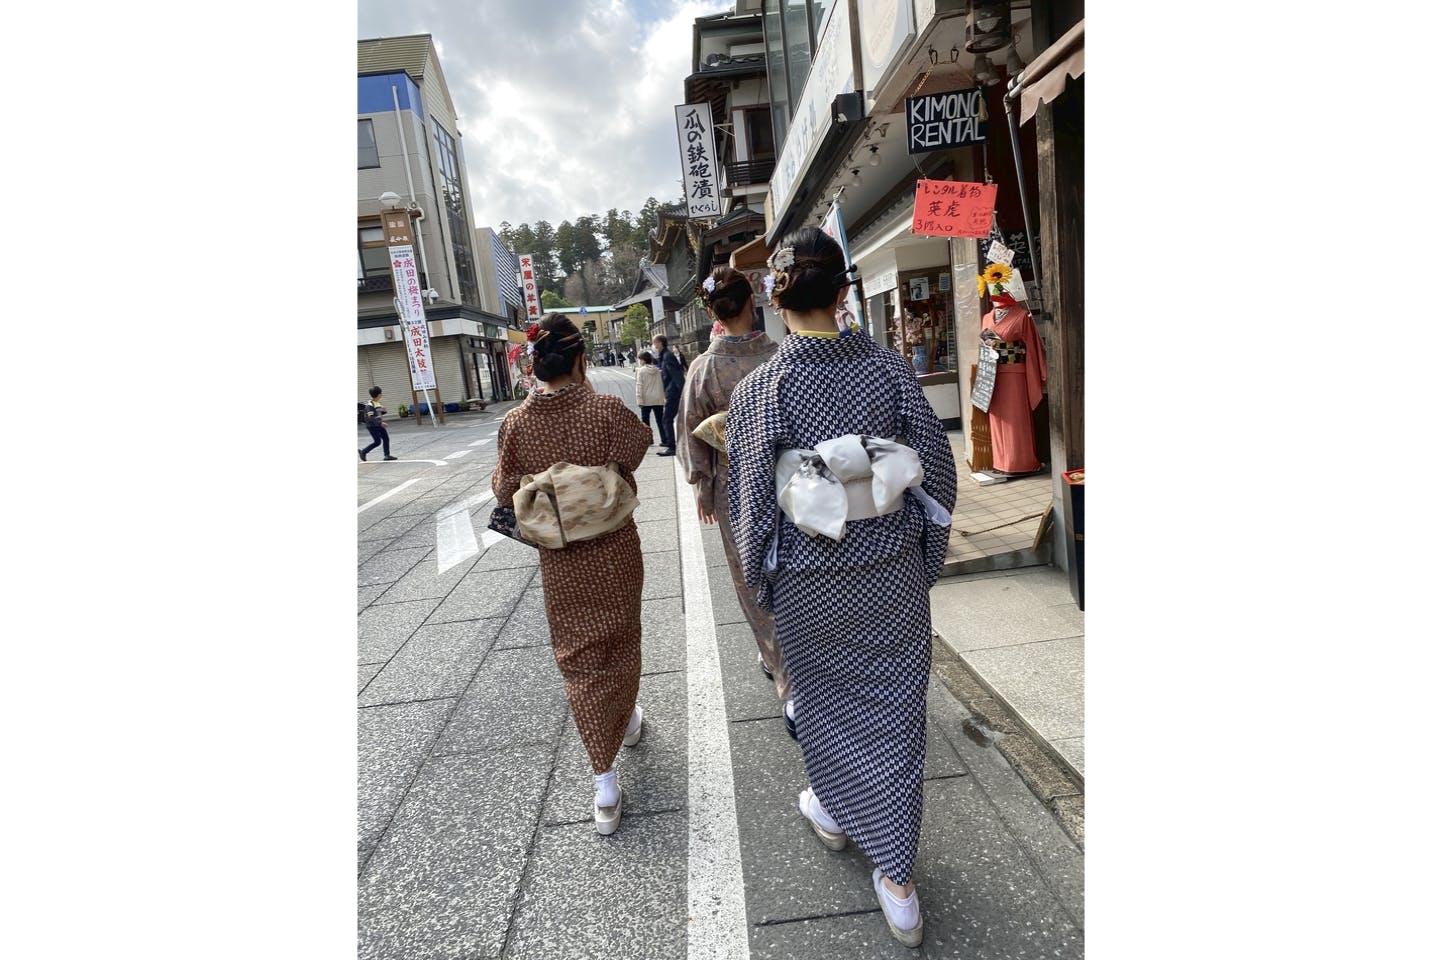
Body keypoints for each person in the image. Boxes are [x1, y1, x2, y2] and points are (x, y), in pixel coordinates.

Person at [725, 227, 957, 947]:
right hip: (889, 571)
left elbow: (753, 509)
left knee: (825, 704)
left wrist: (765, 585)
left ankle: (879, 848)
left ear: (775, 295)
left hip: (810, 579)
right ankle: (890, 871)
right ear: (845, 292)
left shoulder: (761, 389)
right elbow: (938, 478)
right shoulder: (890, 372)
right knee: (893, 707)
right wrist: (924, 561)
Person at [492, 314, 652, 835]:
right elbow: (636, 450)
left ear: (536, 365)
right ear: (580, 359)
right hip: (614, 552)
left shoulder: (516, 423)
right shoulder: (604, 410)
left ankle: (604, 780)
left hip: (562, 562)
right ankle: (623, 722)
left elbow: (502, 490)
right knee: (621, 642)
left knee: (580, 657)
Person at [676, 267, 792, 733]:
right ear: (753, 302)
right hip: (788, 478)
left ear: (712, 313)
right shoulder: (782, 357)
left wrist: (702, 485)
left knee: (750, 576)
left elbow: (692, 433)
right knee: (794, 566)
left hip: (734, 486)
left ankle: (780, 668)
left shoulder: (705, 369)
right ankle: (804, 661)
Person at [977, 264, 1048, 475]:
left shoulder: (1021, 315)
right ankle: (1001, 461)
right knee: (998, 419)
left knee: (1016, 420)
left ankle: (1022, 462)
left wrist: (1039, 371)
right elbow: (985, 349)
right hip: (992, 375)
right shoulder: (987, 317)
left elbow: (1033, 348)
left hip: (1014, 376)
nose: (995, 291)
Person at [652, 335, 686, 457]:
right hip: (671, 392)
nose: (653, 346)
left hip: (674, 393)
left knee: (667, 419)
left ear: (660, 343)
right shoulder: (664, 356)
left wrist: (683, 393)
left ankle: (672, 446)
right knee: (667, 419)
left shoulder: (668, 356)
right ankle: (670, 442)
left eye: (654, 343)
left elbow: (677, 376)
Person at [634, 351, 666, 444]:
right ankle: (664, 439)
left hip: (646, 399)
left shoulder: (641, 371)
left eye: (640, 359)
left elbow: (639, 386)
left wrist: (639, 400)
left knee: (645, 421)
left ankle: (649, 440)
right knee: (660, 421)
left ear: (643, 360)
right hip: (658, 399)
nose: (639, 361)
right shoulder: (657, 370)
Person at [359, 386, 398, 462]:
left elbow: (378, 413)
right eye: (381, 393)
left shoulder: (377, 403)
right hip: (372, 426)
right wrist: (380, 423)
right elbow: (371, 417)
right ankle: (363, 452)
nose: (381, 394)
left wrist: (384, 411)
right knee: (377, 442)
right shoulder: (370, 405)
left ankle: (387, 455)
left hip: (378, 424)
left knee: (386, 438)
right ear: (379, 395)